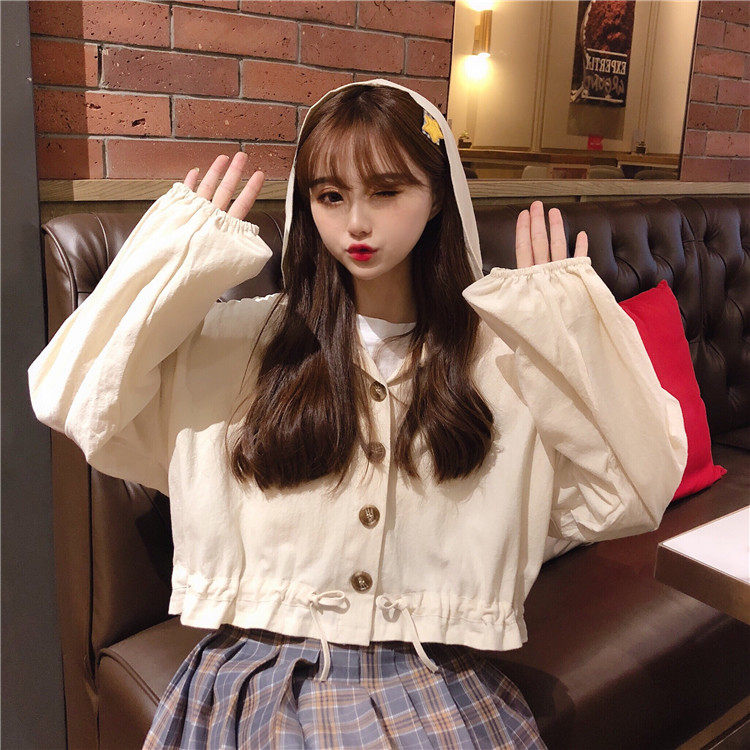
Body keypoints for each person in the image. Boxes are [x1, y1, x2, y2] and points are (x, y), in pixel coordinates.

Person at [27, 79, 688, 749]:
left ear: (437, 196)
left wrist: (570, 332)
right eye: (330, 196)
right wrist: (172, 261)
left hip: (432, 676)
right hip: (252, 678)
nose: (357, 224)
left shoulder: (502, 357)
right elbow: (72, 398)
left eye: (386, 191)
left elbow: (634, 491)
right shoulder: (239, 344)